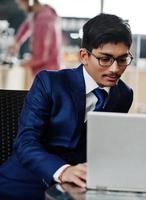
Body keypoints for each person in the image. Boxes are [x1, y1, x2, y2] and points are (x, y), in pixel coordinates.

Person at [0, 13, 133, 200]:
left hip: (77, 189)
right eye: (105, 59)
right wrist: (63, 171)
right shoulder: (49, 82)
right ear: (84, 56)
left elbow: (105, 147)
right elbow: (25, 143)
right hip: (24, 184)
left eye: (122, 59)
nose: (115, 69)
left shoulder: (124, 95)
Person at [9, 0, 62, 75]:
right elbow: (26, 25)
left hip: (47, 72)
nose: (20, 8)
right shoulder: (39, 12)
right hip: (49, 69)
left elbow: (42, 57)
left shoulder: (44, 20)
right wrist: (16, 43)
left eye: (21, 4)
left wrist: (23, 63)